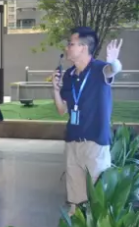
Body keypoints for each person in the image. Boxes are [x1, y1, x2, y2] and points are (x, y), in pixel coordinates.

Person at [52, 27, 123, 214]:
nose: (67, 47)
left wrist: (114, 61)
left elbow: (113, 70)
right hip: (72, 142)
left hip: (95, 143)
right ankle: (76, 225)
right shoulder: (69, 75)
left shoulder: (100, 69)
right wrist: (55, 90)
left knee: (97, 198)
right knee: (75, 198)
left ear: (83, 47)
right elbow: (61, 110)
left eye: (71, 44)